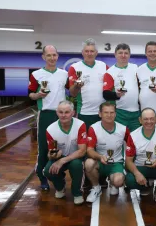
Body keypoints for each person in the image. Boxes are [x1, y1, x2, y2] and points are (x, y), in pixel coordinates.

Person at [28, 45, 68, 191]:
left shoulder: (64, 74)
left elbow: (73, 91)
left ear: (58, 56)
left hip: (62, 115)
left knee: (62, 146)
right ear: (43, 57)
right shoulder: (36, 75)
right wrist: (38, 95)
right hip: (45, 114)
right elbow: (30, 94)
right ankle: (42, 176)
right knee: (44, 147)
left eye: (54, 55)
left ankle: (59, 174)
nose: (52, 58)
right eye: (49, 55)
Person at [43, 101, 87, 205]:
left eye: (67, 112)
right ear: (57, 113)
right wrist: (54, 155)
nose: (63, 115)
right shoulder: (50, 129)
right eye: (60, 112)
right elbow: (50, 154)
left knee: (76, 165)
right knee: (48, 171)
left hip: (76, 156)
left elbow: (82, 151)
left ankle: (77, 193)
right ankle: (60, 187)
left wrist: (62, 160)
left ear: (73, 113)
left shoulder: (80, 125)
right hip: (60, 157)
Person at [85, 103, 130, 203]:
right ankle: (96, 188)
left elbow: (132, 148)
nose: (109, 115)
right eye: (106, 112)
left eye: (111, 112)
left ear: (115, 114)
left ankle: (113, 182)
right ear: (100, 114)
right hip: (100, 162)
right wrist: (99, 156)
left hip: (116, 163)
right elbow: (89, 150)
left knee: (118, 182)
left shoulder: (123, 129)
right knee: (88, 163)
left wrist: (128, 166)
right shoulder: (93, 128)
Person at [125, 108, 156, 197]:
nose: (149, 122)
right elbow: (128, 160)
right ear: (140, 120)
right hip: (141, 167)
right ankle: (145, 186)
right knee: (130, 180)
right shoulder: (133, 135)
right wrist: (137, 174)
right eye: (145, 119)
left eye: (151, 118)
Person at [68, 38, 108, 129]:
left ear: (96, 53)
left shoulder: (104, 66)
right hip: (84, 112)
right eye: (86, 51)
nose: (89, 54)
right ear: (82, 52)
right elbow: (72, 93)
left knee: (101, 141)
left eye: (92, 51)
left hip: (102, 113)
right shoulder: (74, 67)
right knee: (85, 141)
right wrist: (77, 86)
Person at [102, 43, 140, 132]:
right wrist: (117, 95)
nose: (123, 55)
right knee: (120, 140)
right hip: (120, 112)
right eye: (120, 53)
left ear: (129, 55)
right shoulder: (110, 72)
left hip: (136, 112)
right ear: (115, 54)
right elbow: (106, 94)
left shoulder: (135, 68)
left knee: (135, 140)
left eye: (126, 53)